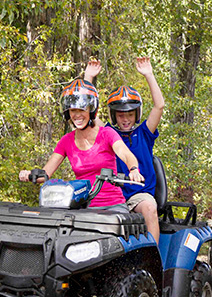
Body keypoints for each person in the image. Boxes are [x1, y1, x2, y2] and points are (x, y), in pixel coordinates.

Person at [18, 79, 144, 213]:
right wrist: (30, 175)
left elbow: (125, 153)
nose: (77, 115)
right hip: (82, 207)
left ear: (91, 109)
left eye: (81, 109)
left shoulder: (107, 134)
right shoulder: (66, 141)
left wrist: (134, 169)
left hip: (112, 206)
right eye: (73, 110)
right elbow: (45, 174)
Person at [83, 57, 164, 244]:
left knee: (150, 207)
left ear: (136, 114)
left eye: (129, 114)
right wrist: (89, 77)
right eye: (121, 115)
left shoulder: (144, 133)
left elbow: (159, 106)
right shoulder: (108, 133)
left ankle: (154, 258)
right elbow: (87, 114)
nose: (125, 119)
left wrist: (149, 75)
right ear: (114, 115)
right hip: (112, 195)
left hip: (138, 196)